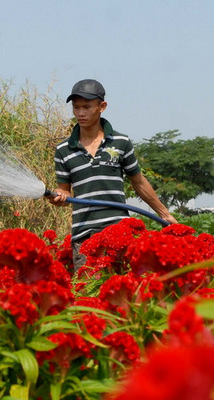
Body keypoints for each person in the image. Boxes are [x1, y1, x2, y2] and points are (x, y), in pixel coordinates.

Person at [47, 79, 178, 271]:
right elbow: (65, 192)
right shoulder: (63, 150)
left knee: (125, 286)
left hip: (118, 233)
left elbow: (139, 182)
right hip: (84, 236)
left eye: (86, 107)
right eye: (76, 107)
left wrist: (165, 215)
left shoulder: (120, 142)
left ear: (102, 107)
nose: (80, 113)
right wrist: (59, 197)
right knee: (88, 287)